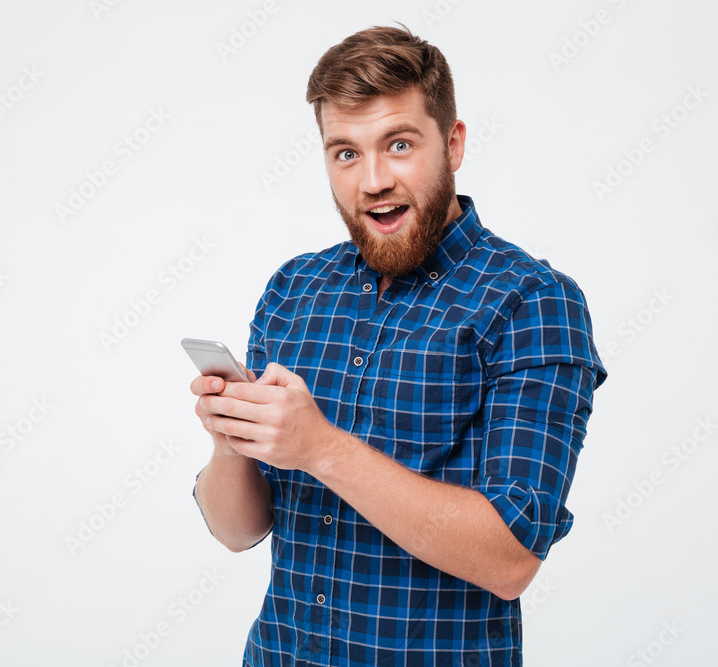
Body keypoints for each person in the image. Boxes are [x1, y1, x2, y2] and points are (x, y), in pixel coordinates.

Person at [190, 24, 607, 666]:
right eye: (346, 153)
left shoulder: (531, 302)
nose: (374, 179)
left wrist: (321, 448)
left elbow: (510, 558)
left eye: (400, 144)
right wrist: (231, 443)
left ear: (454, 143)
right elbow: (237, 530)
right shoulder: (295, 289)